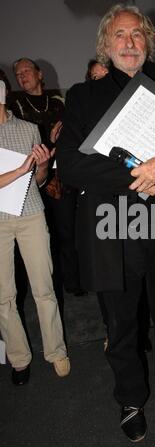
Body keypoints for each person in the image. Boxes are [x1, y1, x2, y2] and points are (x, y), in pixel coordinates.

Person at [56, 4, 155, 442]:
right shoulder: (82, 96)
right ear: (106, 45)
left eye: (137, 35)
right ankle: (130, 398)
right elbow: (69, 165)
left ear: (148, 42)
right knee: (121, 323)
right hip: (112, 227)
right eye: (120, 35)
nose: (129, 42)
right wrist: (137, 176)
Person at [0, 70, 70, 385]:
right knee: (4, 296)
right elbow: (20, 174)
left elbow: (39, 182)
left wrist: (41, 166)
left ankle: (56, 351)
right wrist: (21, 169)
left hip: (30, 214)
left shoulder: (29, 129)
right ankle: (19, 359)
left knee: (44, 287)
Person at [11, 57, 85, 299]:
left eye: (27, 71)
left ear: (40, 74)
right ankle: (47, 286)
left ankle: (73, 282)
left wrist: (58, 141)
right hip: (27, 180)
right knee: (40, 236)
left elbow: (73, 136)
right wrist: (49, 140)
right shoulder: (14, 106)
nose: (22, 76)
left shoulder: (57, 103)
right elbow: (21, 146)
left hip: (60, 177)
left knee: (66, 232)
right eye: (18, 73)